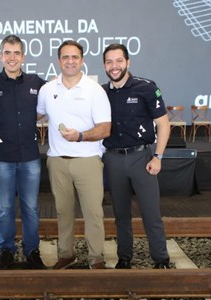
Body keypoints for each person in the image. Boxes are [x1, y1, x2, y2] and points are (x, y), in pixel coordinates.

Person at [36, 40, 111, 269]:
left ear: (82, 60)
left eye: (75, 57)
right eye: (65, 57)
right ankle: (66, 255)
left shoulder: (94, 90)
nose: (70, 61)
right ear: (59, 61)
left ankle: (96, 258)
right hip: (57, 161)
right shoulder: (47, 90)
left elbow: (105, 129)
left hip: (87, 161)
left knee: (93, 213)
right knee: (63, 213)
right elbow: (35, 116)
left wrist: (80, 136)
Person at [0, 34, 46, 270]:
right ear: (1, 56)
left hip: (30, 158)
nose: (12, 57)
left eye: (16, 53)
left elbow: (59, 98)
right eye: (7, 53)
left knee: (31, 208)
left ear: (23, 56)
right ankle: (6, 251)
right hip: (1, 158)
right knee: (5, 209)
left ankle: (32, 251)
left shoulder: (37, 83)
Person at [101, 44, 171, 269]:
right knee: (121, 215)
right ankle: (124, 258)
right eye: (109, 62)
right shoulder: (100, 93)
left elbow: (163, 124)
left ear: (127, 62)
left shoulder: (146, 88)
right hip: (112, 160)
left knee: (151, 214)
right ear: (104, 65)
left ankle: (161, 259)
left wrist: (158, 156)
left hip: (142, 159)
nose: (114, 66)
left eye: (119, 61)